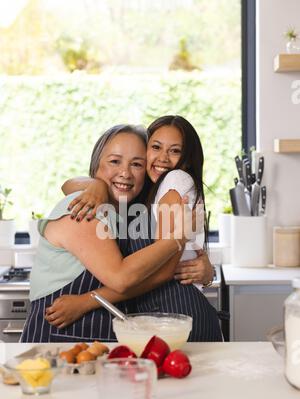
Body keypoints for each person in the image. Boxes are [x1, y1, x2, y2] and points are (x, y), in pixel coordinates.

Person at [45, 116, 222, 341]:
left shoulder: (174, 180)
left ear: (186, 159)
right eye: (155, 147)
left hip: (178, 315)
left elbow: (164, 271)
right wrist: (96, 185)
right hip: (159, 316)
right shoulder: (141, 191)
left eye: (175, 151)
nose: (162, 158)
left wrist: (85, 302)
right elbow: (68, 184)